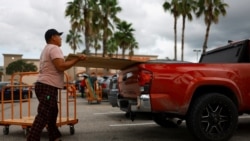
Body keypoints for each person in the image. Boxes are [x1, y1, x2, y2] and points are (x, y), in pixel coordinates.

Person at [27, 28, 86, 141]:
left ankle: (54, 137)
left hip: (43, 85)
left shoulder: (46, 49)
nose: (60, 38)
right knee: (43, 115)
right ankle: (32, 139)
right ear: (53, 37)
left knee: (52, 112)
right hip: (47, 86)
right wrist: (77, 59)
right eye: (59, 36)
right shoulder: (54, 48)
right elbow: (61, 66)